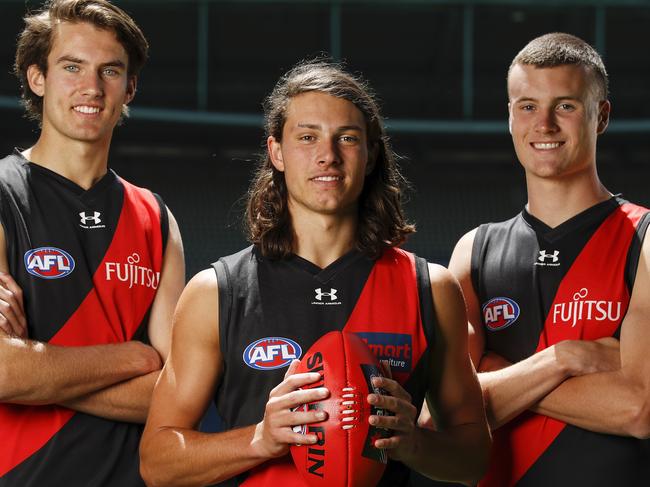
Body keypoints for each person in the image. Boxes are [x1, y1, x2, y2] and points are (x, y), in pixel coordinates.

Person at [139, 60, 490, 487]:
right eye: (307, 137)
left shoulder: (430, 289)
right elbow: (157, 462)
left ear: (371, 153)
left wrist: (414, 442)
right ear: (277, 153)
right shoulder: (216, 292)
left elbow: (475, 460)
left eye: (347, 138)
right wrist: (260, 439)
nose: (328, 155)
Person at [449, 32, 650, 487]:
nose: (544, 125)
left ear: (600, 117)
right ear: (509, 117)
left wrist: (496, 376)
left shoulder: (645, 239)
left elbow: (640, 409)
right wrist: (565, 358)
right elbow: (446, 412)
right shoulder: (473, 252)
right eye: (527, 106)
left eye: (565, 106)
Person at [0, 0, 185, 485]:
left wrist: (33, 375)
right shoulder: (2, 194)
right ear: (37, 77)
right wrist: (134, 356)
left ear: (130, 88)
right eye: (72, 66)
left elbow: (181, 393)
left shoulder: (156, 218)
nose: (91, 87)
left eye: (110, 70)